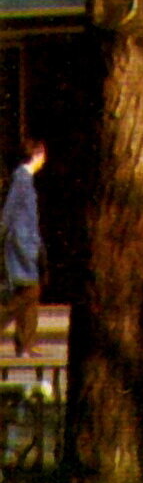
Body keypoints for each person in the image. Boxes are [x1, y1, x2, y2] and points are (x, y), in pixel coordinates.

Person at [0, 140, 47, 357]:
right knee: (27, 292)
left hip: (26, 244)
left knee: (31, 293)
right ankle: (25, 342)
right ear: (37, 155)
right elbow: (9, 214)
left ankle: (26, 342)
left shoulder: (25, 179)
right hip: (21, 246)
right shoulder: (21, 179)